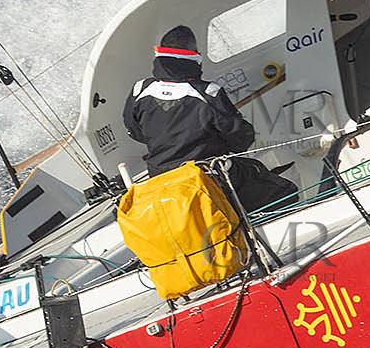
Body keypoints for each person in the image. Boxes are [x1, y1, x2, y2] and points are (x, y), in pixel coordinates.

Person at [123, 26, 296, 214]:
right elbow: (240, 139)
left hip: (162, 182)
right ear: (194, 58)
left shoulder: (140, 90)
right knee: (282, 191)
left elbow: (134, 131)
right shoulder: (208, 93)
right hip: (207, 179)